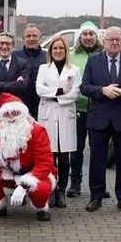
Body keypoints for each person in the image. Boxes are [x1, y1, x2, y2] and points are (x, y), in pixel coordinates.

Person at [80, 25, 121, 213]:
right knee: (97, 160)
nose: (115, 42)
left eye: (118, 39)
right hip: (98, 117)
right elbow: (85, 87)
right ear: (105, 42)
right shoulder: (94, 61)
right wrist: (102, 90)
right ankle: (96, 197)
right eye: (111, 39)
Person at [0, 93, 56, 221]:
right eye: (7, 113)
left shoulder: (37, 130)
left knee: (41, 190)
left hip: (32, 173)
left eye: (15, 112)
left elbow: (45, 163)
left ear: (23, 113)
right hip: (6, 172)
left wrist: (24, 185)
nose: (11, 116)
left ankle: (41, 207)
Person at [35, 35, 81, 208]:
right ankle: (50, 190)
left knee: (64, 156)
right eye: (55, 48)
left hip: (65, 114)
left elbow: (75, 93)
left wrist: (53, 95)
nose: (58, 51)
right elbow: (39, 89)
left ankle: (61, 190)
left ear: (66, 50)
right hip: (48, 115)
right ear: (50, 51)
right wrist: (61, 91)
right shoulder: (43, 68)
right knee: (49, 155)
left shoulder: (74, 70)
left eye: (61, 48)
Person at [66, 21, 101, 197]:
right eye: (85, 34)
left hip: (99, 109)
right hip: (77, 109)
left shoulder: (103, 54)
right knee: (76, 148)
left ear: (96, 37)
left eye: (91, 34)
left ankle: (98, 186)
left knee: (97, 149)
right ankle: (75, 183)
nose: (88, 37)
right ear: (80, 37)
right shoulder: (71, 56)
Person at [0, 32, 30, 105]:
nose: (4, 46)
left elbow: (22, 87)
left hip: (15, 106)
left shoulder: (22, 64)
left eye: (8, 43)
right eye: (1, 43)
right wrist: (13, 87)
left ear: (13, 46)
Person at [13, 24, 45, 119]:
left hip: (42, 105)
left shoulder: (48, 56)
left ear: (40, 38)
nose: (31, 39)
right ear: (23, 39)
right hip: (20, 105)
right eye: (28, 36)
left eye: (34, 36)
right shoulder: (14, 56)